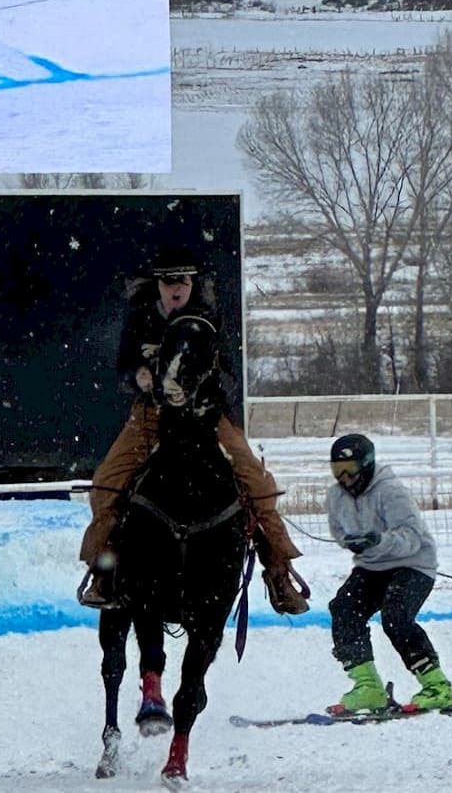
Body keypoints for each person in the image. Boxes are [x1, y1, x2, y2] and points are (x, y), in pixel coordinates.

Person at [78, 243, 310, 615]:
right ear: (157, 285)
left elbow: (230, 375)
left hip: (205, 415)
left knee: (257, 482)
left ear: (192, 283)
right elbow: (124, 367)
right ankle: (103, 569)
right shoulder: (140, 319)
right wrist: (137, 376)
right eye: (169, 281)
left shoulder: (208, 319)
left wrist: (205, 386)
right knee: (107, 482)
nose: (176, 288)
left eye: (183, 281)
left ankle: (279, 571)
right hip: (151, 415)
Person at [323, 433, 452, 715]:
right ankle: (368, 688)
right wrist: (350, 542)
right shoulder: (335, 496)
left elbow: (412, 537)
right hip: (371, 566)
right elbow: (338, 531)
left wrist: (379, 541)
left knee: (396, 617)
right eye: (338, 470)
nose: (344, 478)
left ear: (367, 464)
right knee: (344, 610)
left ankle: (438, 687)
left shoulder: (391, 492)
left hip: (413, 564)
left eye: (350, 469)